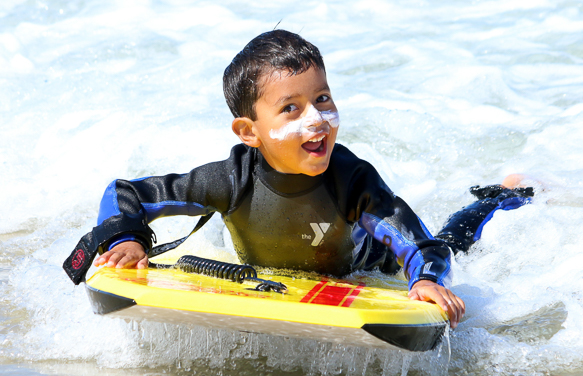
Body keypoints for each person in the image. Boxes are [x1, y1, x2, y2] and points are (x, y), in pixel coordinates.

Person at [67, 29, 535, 329]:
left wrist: (425, 280)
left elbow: (422, 246)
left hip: (372, 267)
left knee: (453, 238)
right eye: (291, 108)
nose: (318, 120)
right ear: (249, 131)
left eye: (324, 99)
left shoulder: (352, 180)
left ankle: (502, 195)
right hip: (284, 275)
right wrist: (127, 237)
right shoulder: (230, 180)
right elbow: (125, 192)